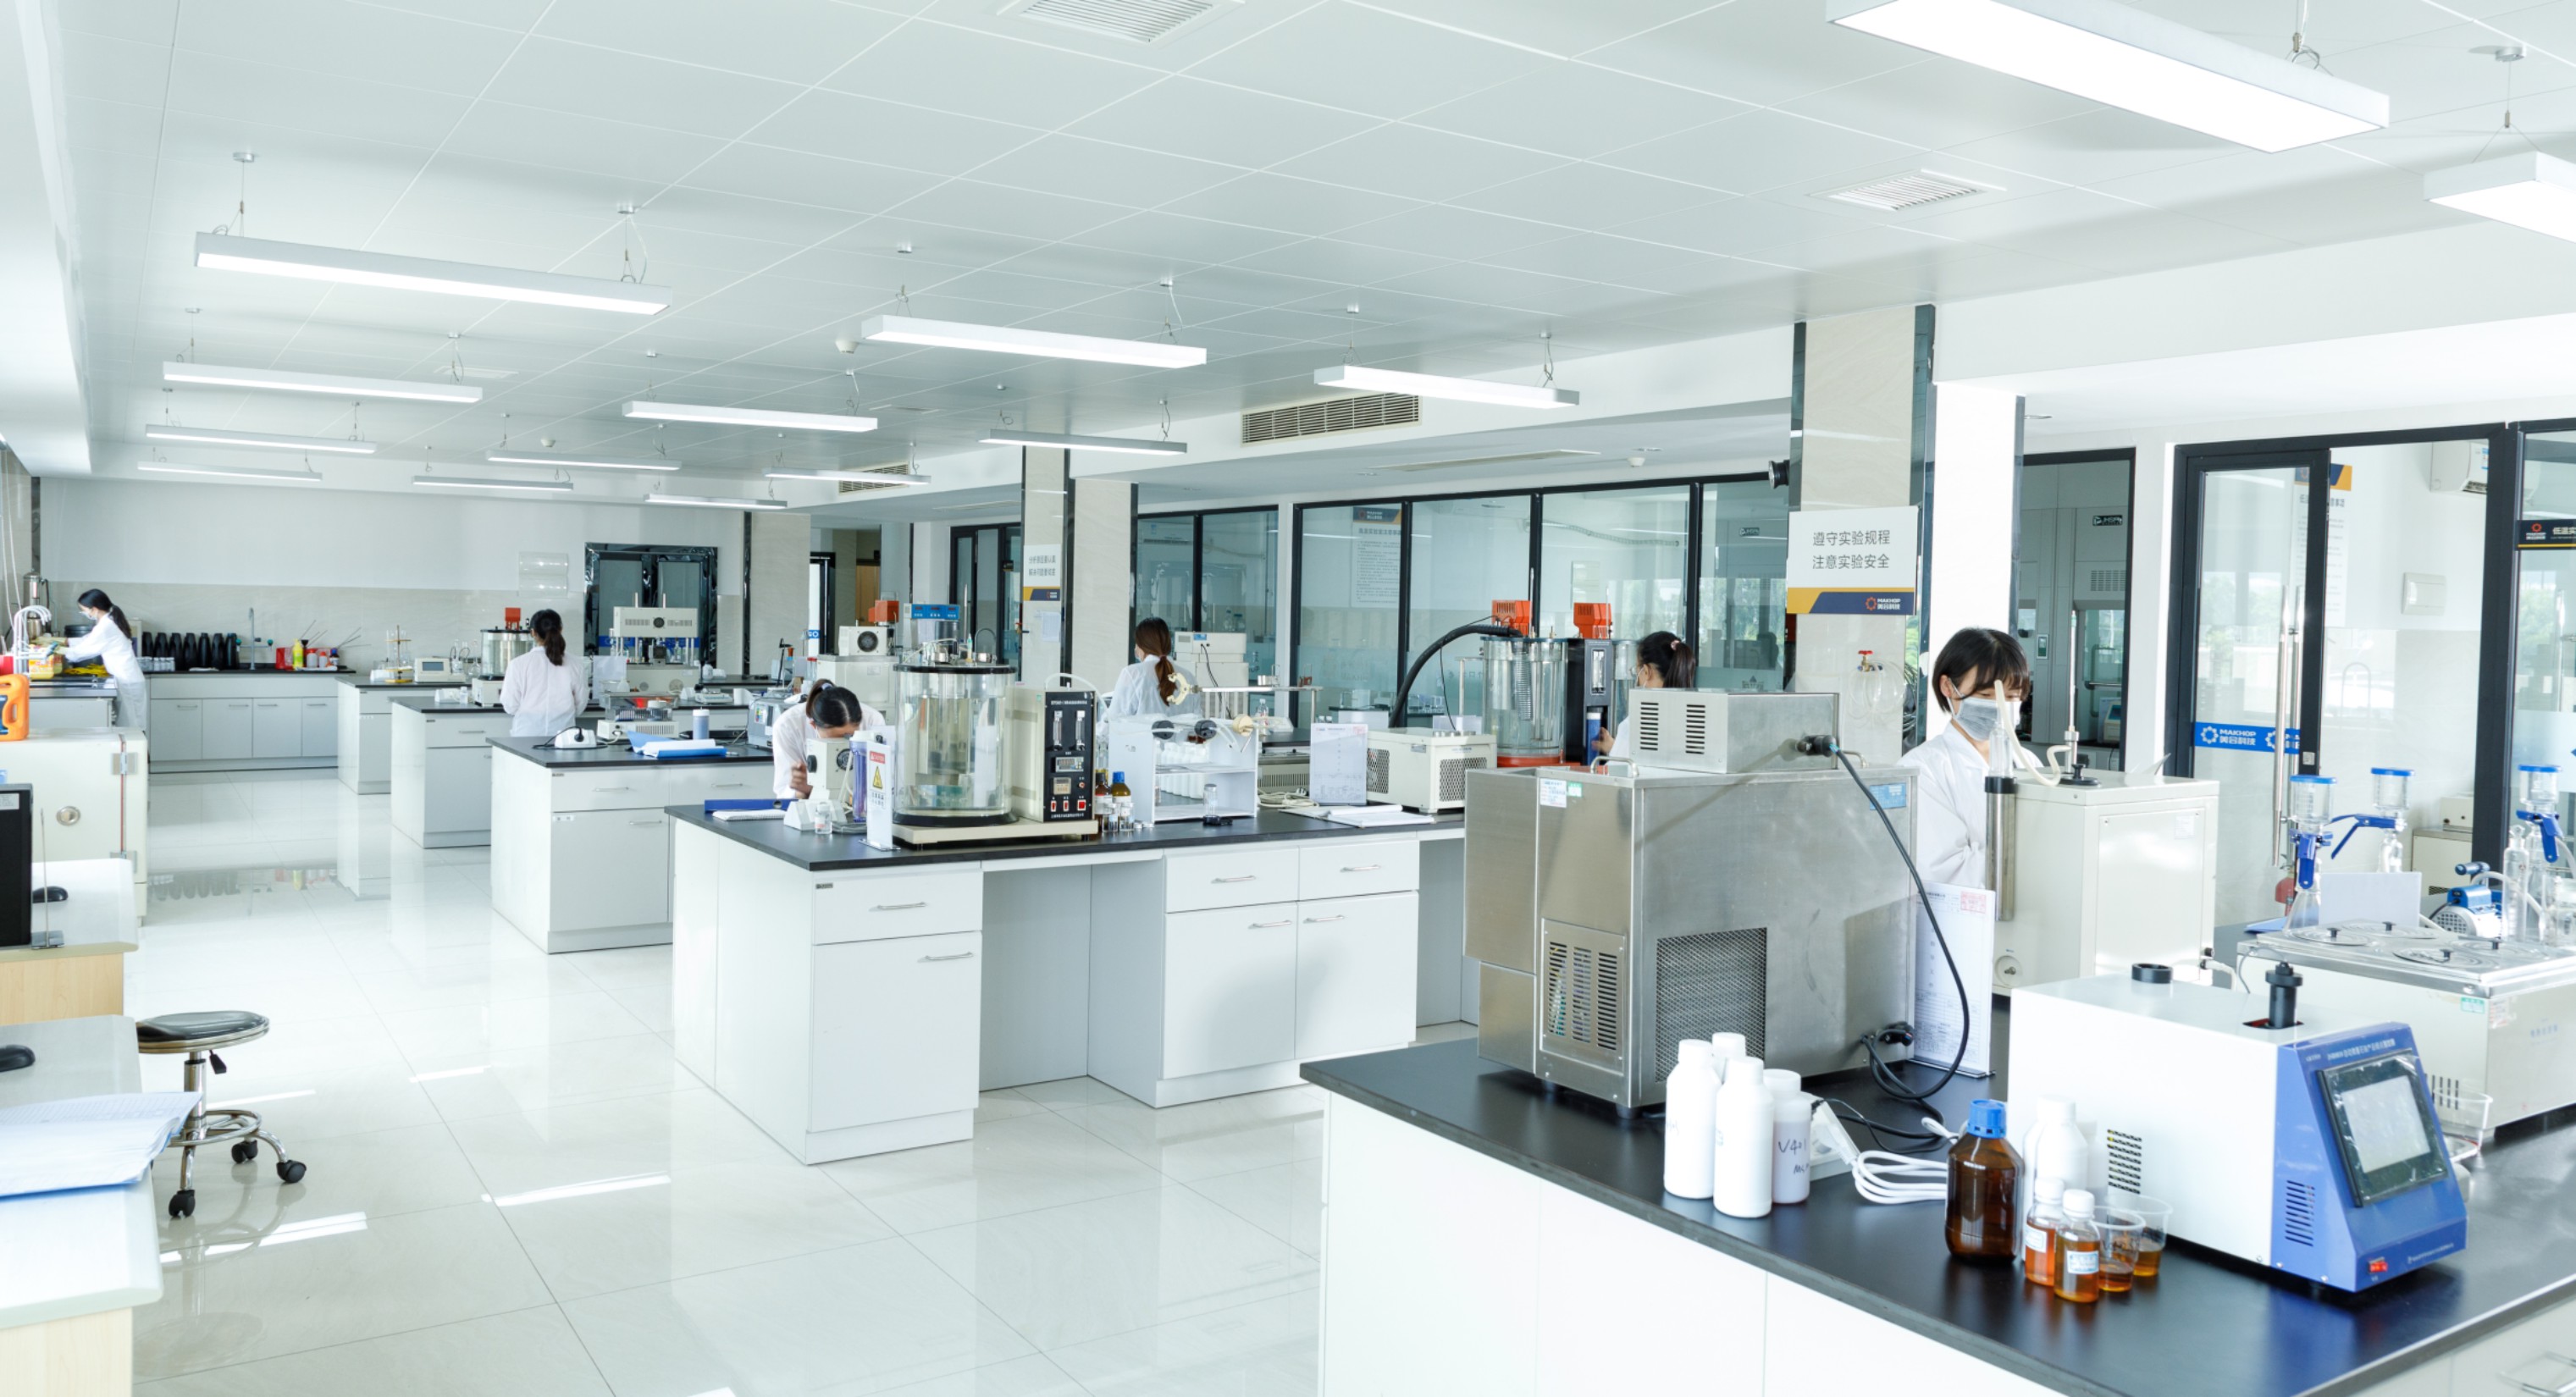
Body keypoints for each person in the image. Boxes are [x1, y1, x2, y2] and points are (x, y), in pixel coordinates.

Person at [1899, 627, 2035, 888]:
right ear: (1948, 687)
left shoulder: (2028, 762)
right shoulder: (1922, 770)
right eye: (1985, 695)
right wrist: (2035, 860)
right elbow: (1944, 869)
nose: (2000, 706)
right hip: (1969, 910)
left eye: (2010, 697)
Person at [773, 681, 886, 800]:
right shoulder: (788, 726)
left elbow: (883, 784)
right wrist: (804, 790)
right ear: (813, 725)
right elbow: (784, 793)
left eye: (850, 736)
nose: (840, 745)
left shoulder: (872, 721)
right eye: (833, 740)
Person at [499, 609, 589, 738]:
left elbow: (510, 705)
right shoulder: (576, 664)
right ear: (561, 630)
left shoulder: (517, 664)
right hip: (563, 736)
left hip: (526, 735)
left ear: (532, 632)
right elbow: (580, 704)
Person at [65, 589, 146, 732]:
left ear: (94, 609)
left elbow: (83, 651)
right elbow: (89, 640)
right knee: (129, 727)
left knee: (134, 729)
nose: (85, 613)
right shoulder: (108, 621)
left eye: (84, 610)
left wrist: (57, 651)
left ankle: (138, 748)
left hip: (128, 682)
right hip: (125, 679)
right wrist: (66, 642)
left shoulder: (106, 626)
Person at [1606, 631, 1694, 760]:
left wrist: (1618, 746)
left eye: (1636, 671)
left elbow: (1619, 770)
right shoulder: (1692, 720)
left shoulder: (1636, 724)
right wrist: (1616, 746)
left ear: (1647, 672)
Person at [1104, 617, 1199, 720]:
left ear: (1142, 646)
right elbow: (1197, 721)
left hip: (1140, 731)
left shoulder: (1133, 673)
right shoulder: (1189, 677)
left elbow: (1113, 719)